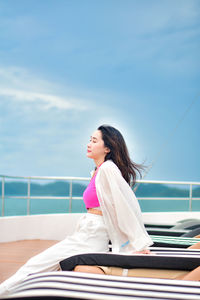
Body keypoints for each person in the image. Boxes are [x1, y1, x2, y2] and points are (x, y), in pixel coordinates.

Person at [0, 125, 152, 295]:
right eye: (90, 140)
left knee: (35, 265)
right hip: (85, 234)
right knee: (40, 267)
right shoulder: (97, 171)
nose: (89, 144)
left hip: (91, 237)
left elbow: (126, 206)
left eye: (94, 141)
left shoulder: (108, 169)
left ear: (107, 148)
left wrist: (139, 244)